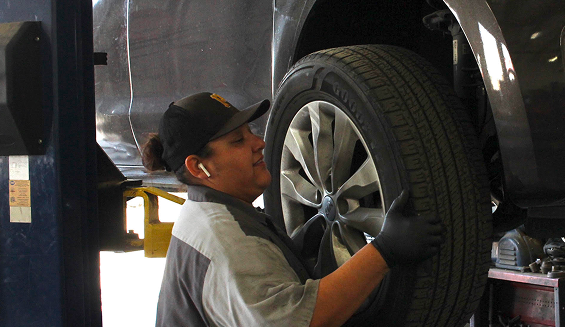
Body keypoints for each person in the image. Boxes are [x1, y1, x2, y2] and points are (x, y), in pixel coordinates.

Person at [143, 92, 444, 327]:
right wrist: (383, 252)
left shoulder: (205, 210)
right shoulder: (226, 242)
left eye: (250, 132)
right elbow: (303, 321)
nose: (259, 143)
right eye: (238, 141)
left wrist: (294, 253)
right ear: (199, 167)